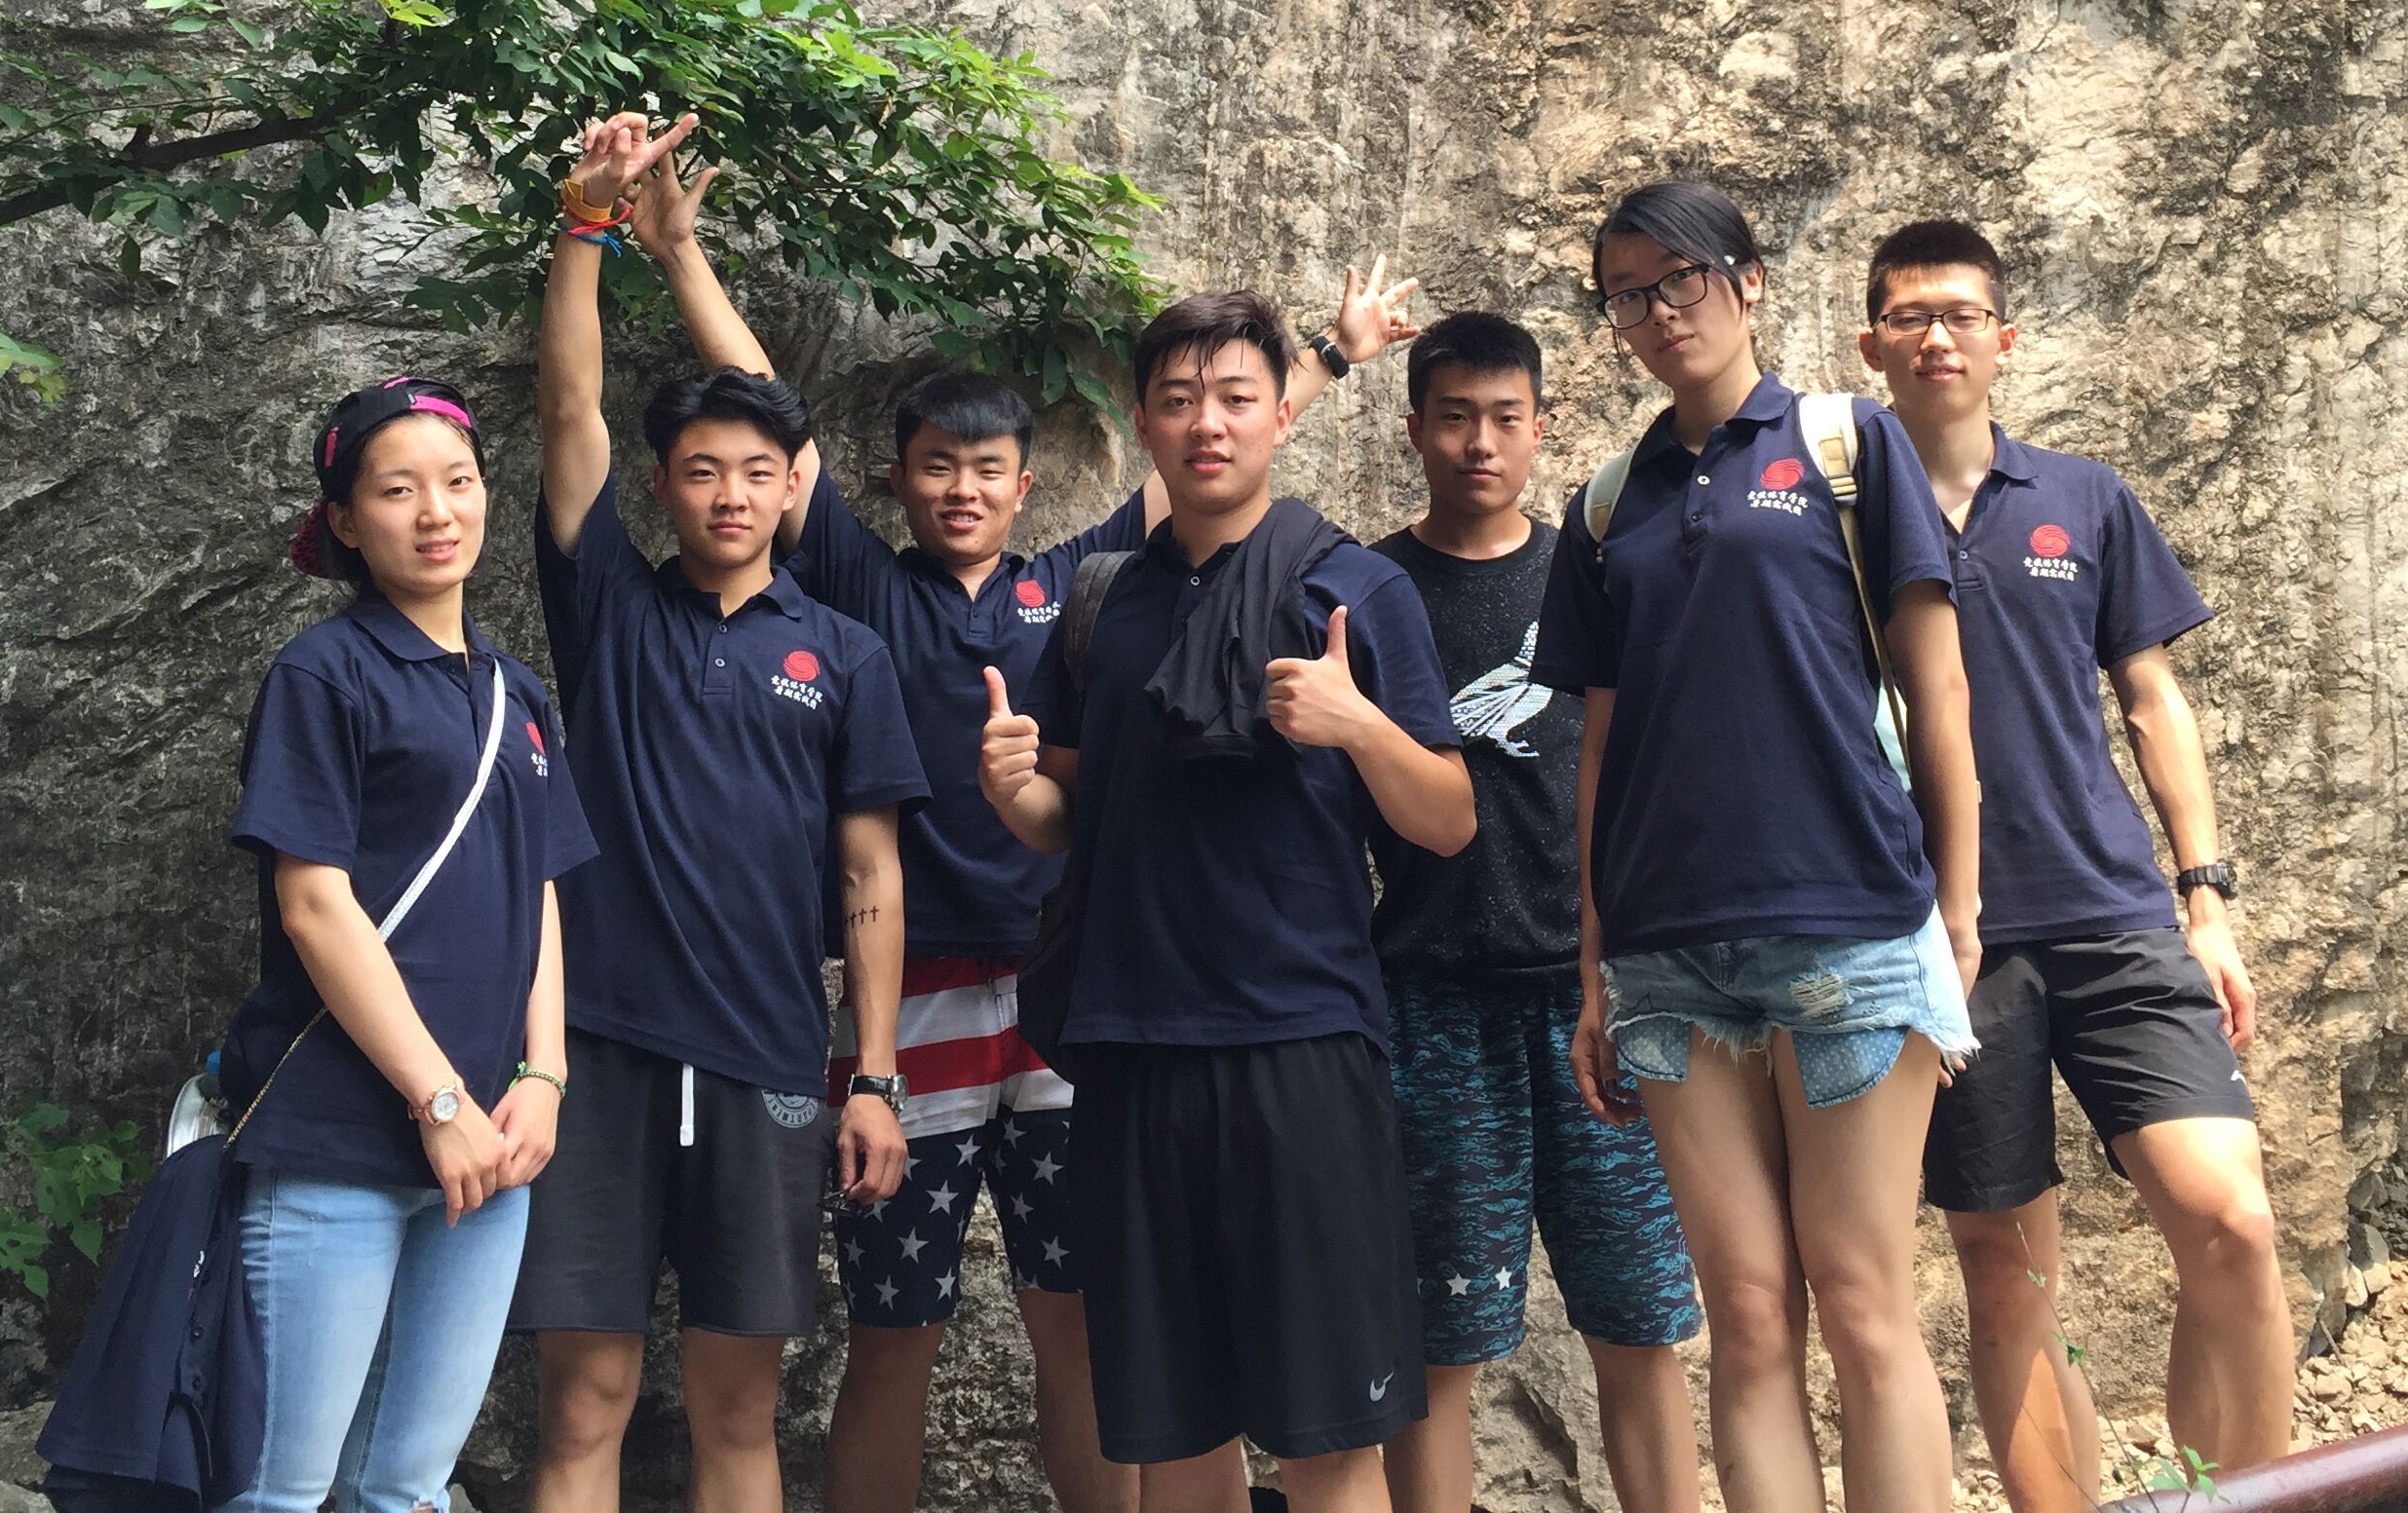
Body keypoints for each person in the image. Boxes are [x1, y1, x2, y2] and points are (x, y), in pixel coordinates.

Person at [605, 130, 1422, 1513]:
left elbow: (1208, 459)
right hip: (915, 997)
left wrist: (1332, 359)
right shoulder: (863, 586)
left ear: (1025, 485)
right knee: (897, 1327)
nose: (961, 489)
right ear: (899, 479)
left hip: (1064, 994)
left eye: (987, 468)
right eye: (935, 466)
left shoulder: (1082, 584)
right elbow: (777, 425)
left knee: (1085, 1317)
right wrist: (681, 253)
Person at [979, 289, 1476, 1513]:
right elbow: (1072, 816)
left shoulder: (1357, 591)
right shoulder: (1107, 602)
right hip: (1132, 1049)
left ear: (1278, 417)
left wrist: (1359, 726)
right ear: (1143, 423)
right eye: (1179, 399)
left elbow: (1448, 820)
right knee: (1173, 1436)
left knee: (1328, 1438)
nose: (1208, 422)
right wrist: (1012, 792)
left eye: (1236, 397)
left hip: (1300, 1045)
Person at [1535, 179, 1982, 1513]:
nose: (1659, 313)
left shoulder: (1848, 445)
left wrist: (1960, 909)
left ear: (1748, 279)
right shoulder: (1608, 505)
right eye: (1627, 295)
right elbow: (1600, 749)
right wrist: (1593, 965)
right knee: (1742, 1309)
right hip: (1668, 950)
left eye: (1680, 279)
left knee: (1862, 1297)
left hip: (1850, 917)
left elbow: (1938, 688)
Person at [516, 115, 929, 1513]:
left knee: (740, 1413)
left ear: (794, 483)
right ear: (663, 485)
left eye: (758, 470)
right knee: (584, 1403)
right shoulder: (609, 611)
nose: (731, 493)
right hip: (599, 1049)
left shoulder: (845, 655)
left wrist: (875, 1076)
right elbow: (569, 413)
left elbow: (871, 877)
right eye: (701, 470)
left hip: (765, 1054)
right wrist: (586, 227)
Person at [1855, 218, 2289, 1511]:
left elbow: (2153, 701)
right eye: (1910, 316)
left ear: (2005, 338)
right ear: (1871, 343)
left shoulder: (2083, 498)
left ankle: (2250, 1496)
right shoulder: (1834, 522)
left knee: (2232, 1223)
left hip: (2111, 912)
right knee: (2006, 1274)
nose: (1937, 337)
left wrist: (2206, 902)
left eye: (1961, 314)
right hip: (1941, 941)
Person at [212, 375, 594, 1513]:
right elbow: (312, 906)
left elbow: (538, 891)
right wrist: (437, 1102)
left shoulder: (519, 693)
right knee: (280, 1491)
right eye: (397, 491)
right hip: (343, 1132)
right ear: (342, 519)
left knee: (411, 1487)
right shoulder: (323, 674)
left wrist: (543, 1076)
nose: (437, 512)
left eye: (458, 482)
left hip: (492, 1146)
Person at [1366, 313, 1701, 1513]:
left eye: (1505, 418)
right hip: (1432, 1004)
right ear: (1415, 428)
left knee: (1641, 1323)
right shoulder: (1367, 590)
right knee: (1439, 1344)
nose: (1479, 443)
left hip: (1596, 999)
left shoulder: (1593, 575)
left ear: (1542, 428)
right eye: (1455, 416)